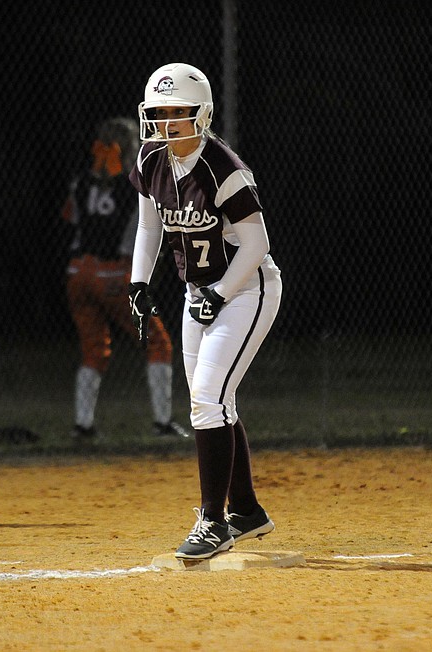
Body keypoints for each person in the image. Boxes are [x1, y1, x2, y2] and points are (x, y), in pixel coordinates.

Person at [128, 63, 282, 559]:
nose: (169, 122)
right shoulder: (152, 156)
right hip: (201, 291)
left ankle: (213, 522)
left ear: (203, 113)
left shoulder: (223, 167)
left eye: (179, 112)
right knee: (214, 400)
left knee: (207, 400)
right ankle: (247, 511)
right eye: (160, 112)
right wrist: (138, 282)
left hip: (247, 289)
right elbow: (150, 228)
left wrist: (221, 293)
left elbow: (256, 244)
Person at [61, 116, 189, 441]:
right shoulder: (136, 183)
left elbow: (71, 219)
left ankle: (83, 426)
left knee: (94, 349)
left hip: (77, 272)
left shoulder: (81, 181)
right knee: (158, 343)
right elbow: (137, 238)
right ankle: (162, 424)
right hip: (113, 272)